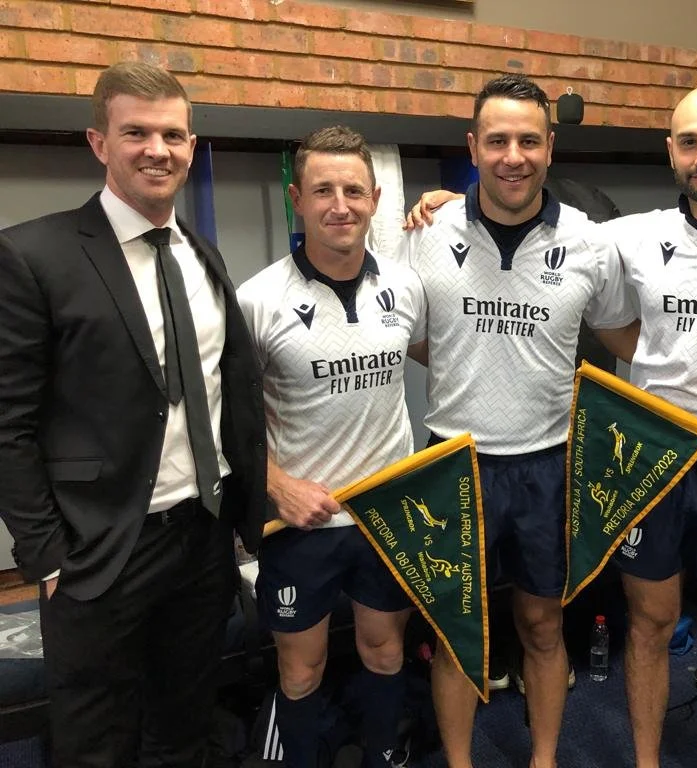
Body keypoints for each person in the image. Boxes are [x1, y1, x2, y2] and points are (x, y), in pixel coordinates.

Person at [407, 85, 697, 768]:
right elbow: (615, 335)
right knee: (636, 622)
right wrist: (436, 204)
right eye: (689, 142)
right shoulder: (607, 236)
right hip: (623, 457)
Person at [0, 61, 267, 766]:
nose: (159, 149)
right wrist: (46, 556)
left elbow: (226, 393)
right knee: (96, 739)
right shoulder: (33, 255)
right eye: (137, 132)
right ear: (98, 142)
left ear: (191, 142)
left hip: (204, 542)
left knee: (184, 725)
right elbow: (8, 425)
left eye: (173, 134)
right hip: (99, 553)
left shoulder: (201, 256)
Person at [399, 73, 637, 768]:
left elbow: (630, 341)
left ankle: (542, 759)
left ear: (550, 148)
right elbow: (402, 333)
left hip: (548, 465)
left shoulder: (590, 243)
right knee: (454, 634)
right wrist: (464, 359)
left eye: (528, 140)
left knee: (541, 623)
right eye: (497, 139)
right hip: (454, 459)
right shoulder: (426, 231)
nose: (513, 155)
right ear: (473, 147)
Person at [237, 126, 425, 768]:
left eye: (352, 190)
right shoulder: (259, 300)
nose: (338, 204)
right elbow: (223, 419)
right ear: (297, 197)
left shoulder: (406, 287)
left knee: (384, 650)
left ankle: (383, 754)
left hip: (385, 515)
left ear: (375, 198)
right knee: (302, 667)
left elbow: (445, 355)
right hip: (301, 522)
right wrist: (278, 486)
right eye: (322, 190)